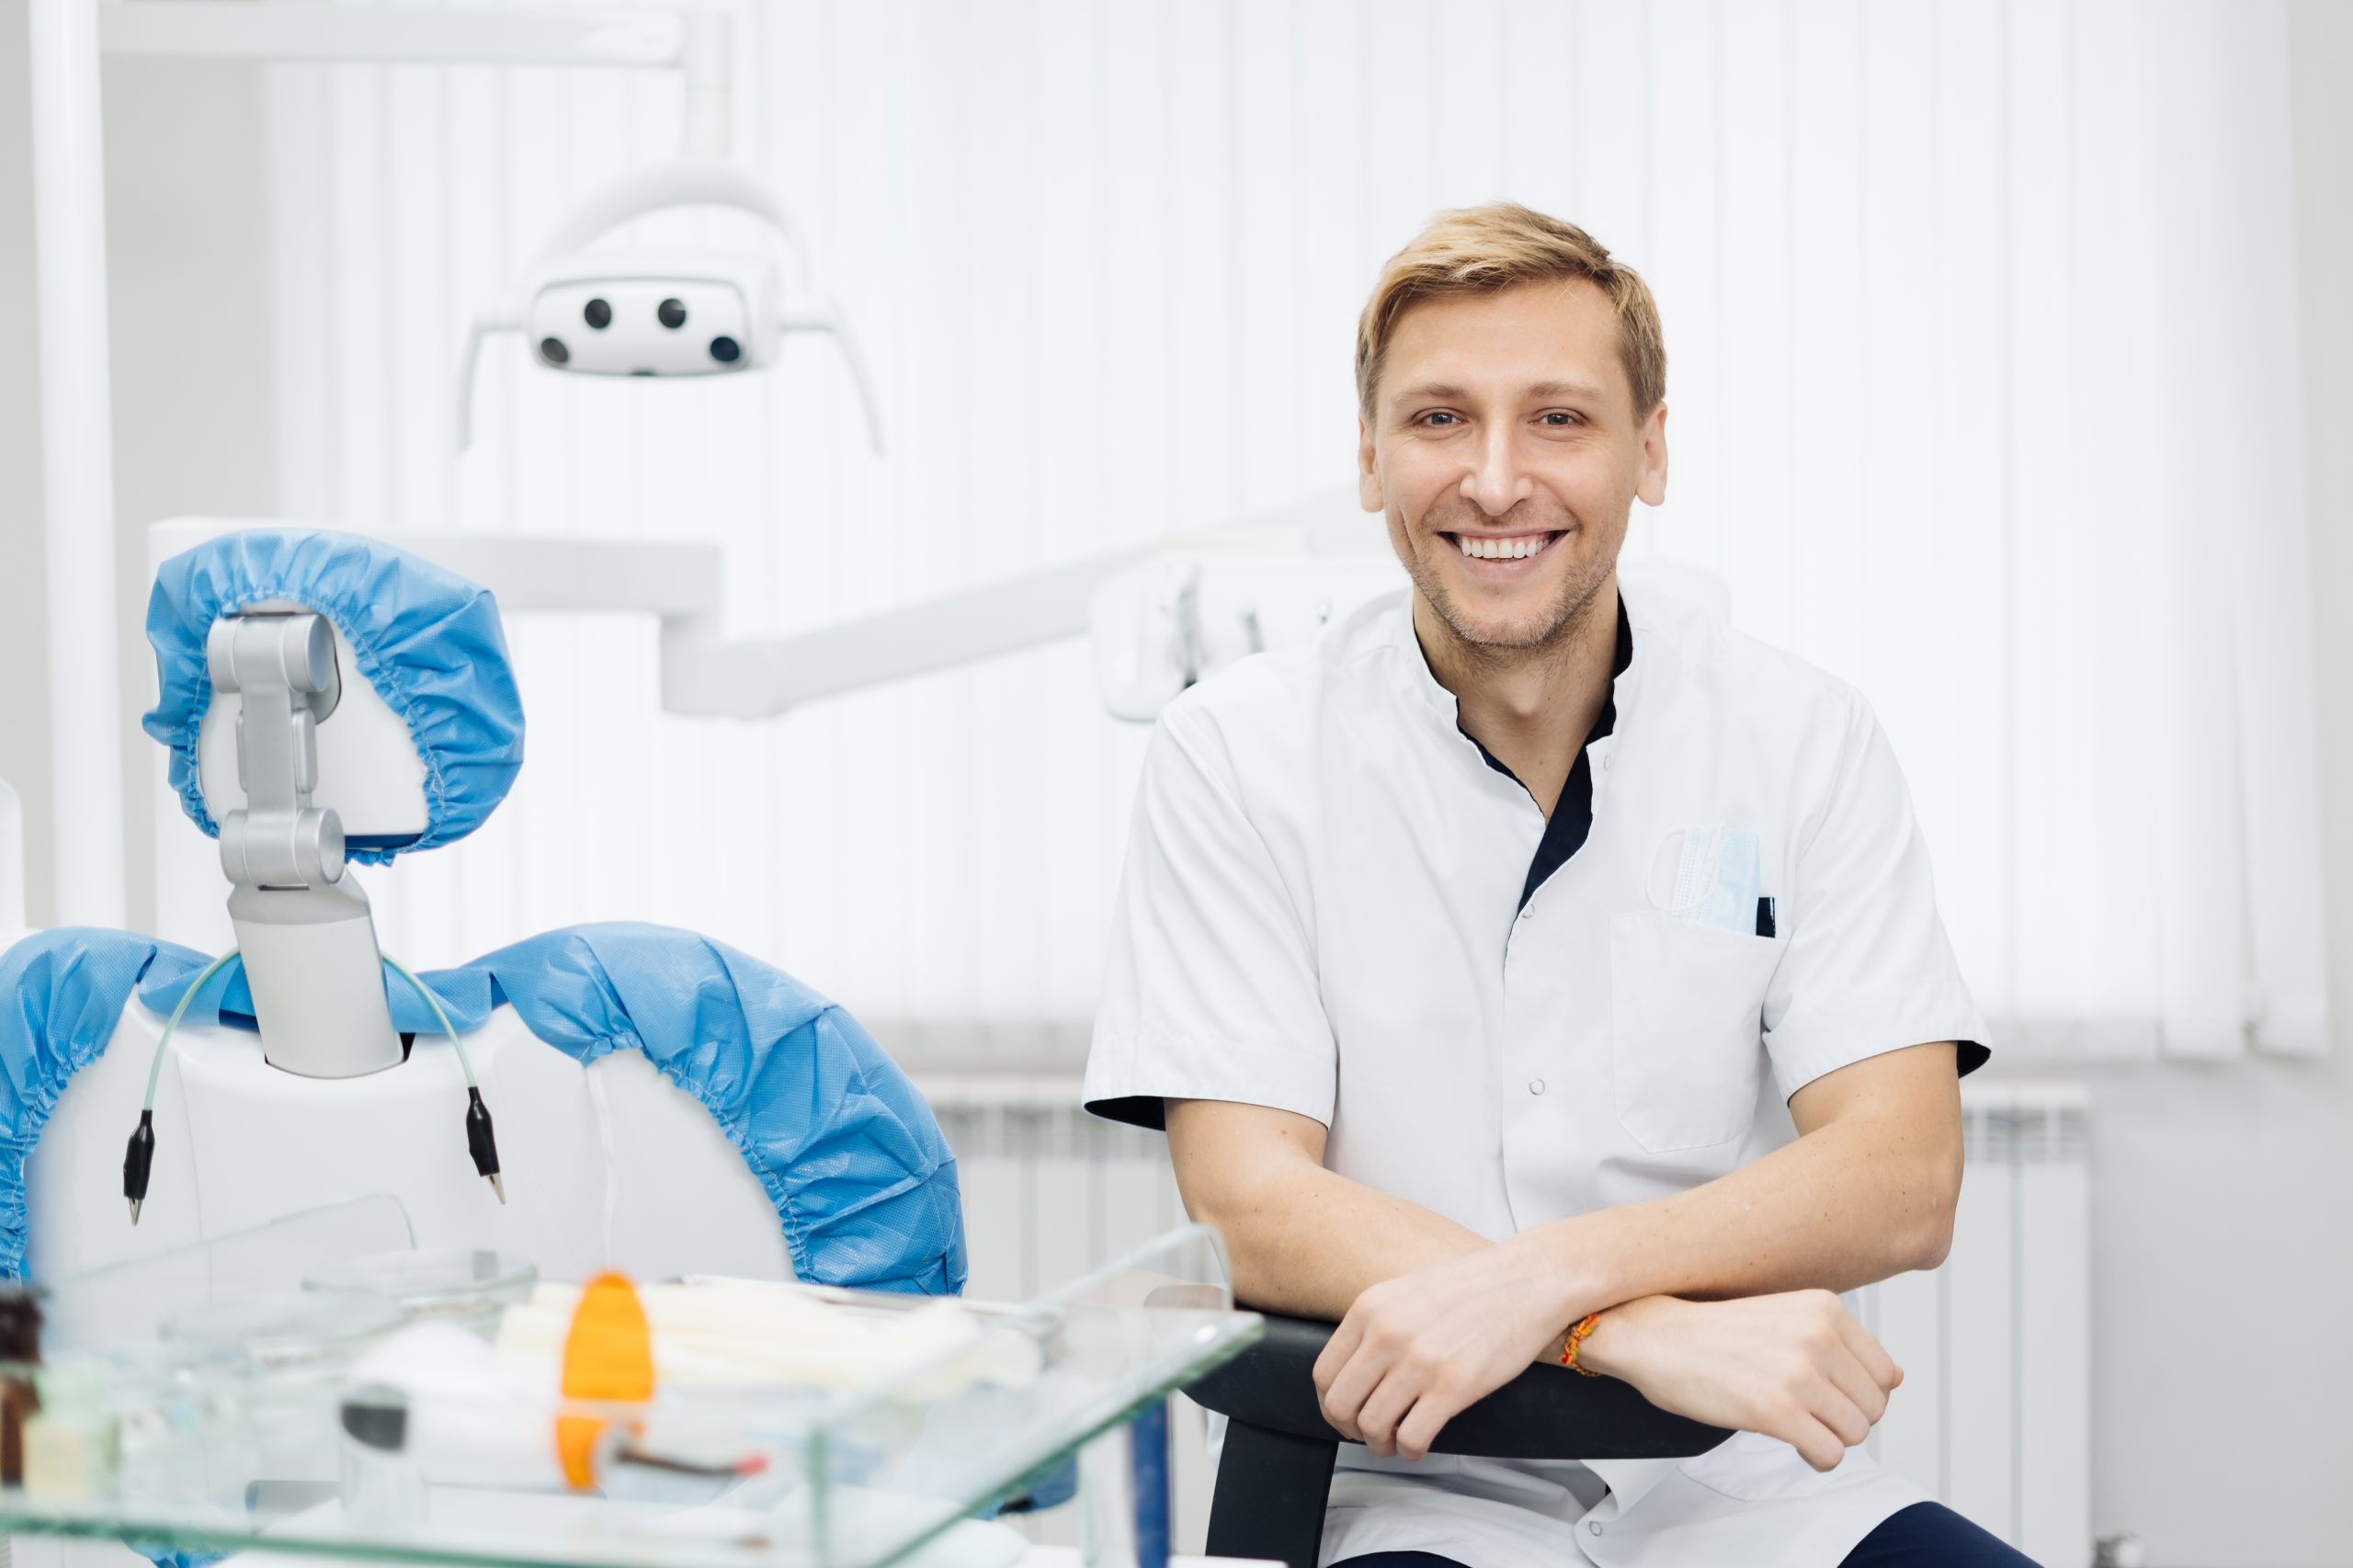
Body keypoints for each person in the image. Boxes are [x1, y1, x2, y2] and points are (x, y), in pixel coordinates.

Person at [1082, 203, 2030, 1568]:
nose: (1495, 478)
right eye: (1439, 420)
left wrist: (1555, 1278)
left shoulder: (1800, 736)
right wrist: (1625, 1329)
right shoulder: (1239, 754)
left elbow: (1902, 1173)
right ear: (1368, 459)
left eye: (1560, 421)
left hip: (1740, 1477)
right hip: (1409, 1475)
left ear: (1652, 450)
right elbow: (1248, 1200)